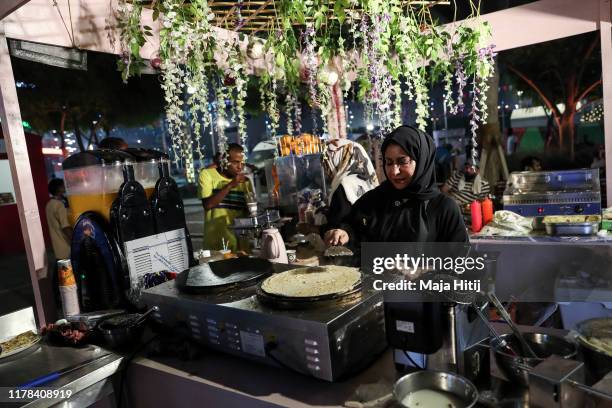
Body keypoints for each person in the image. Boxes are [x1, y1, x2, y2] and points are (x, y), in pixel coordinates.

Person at [324, 126, 467, 247]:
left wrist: (423, 270)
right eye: (389, 162)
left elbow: (459, 263)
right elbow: (353, 229)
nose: (394, 171)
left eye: (402, 161)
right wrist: (344, 233)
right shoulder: (374, 200)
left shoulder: (444, 208)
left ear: (422, 160)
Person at [198, 143, 253, 252]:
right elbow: (208, 204)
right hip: (216, 247)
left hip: (241, 247)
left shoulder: (245, 181)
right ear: (224, 161)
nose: (240, 166)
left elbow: (247, 213)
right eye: (236, 162)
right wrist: (231, 185)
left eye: (242, 163)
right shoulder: (207, 175)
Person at [322, 139, 379, 228]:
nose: (326, 169)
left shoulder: (344, 185)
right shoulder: (366, 179)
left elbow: (336, 225)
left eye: (327, 162)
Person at [45, 179, 72, 261]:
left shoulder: (49, 204)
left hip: (57, 248)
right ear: (59, 188)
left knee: (62, 271)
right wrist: (75, 241)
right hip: (66, 248)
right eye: (63, 185)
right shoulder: (59, 205)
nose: (65, 187)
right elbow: (65, 227)